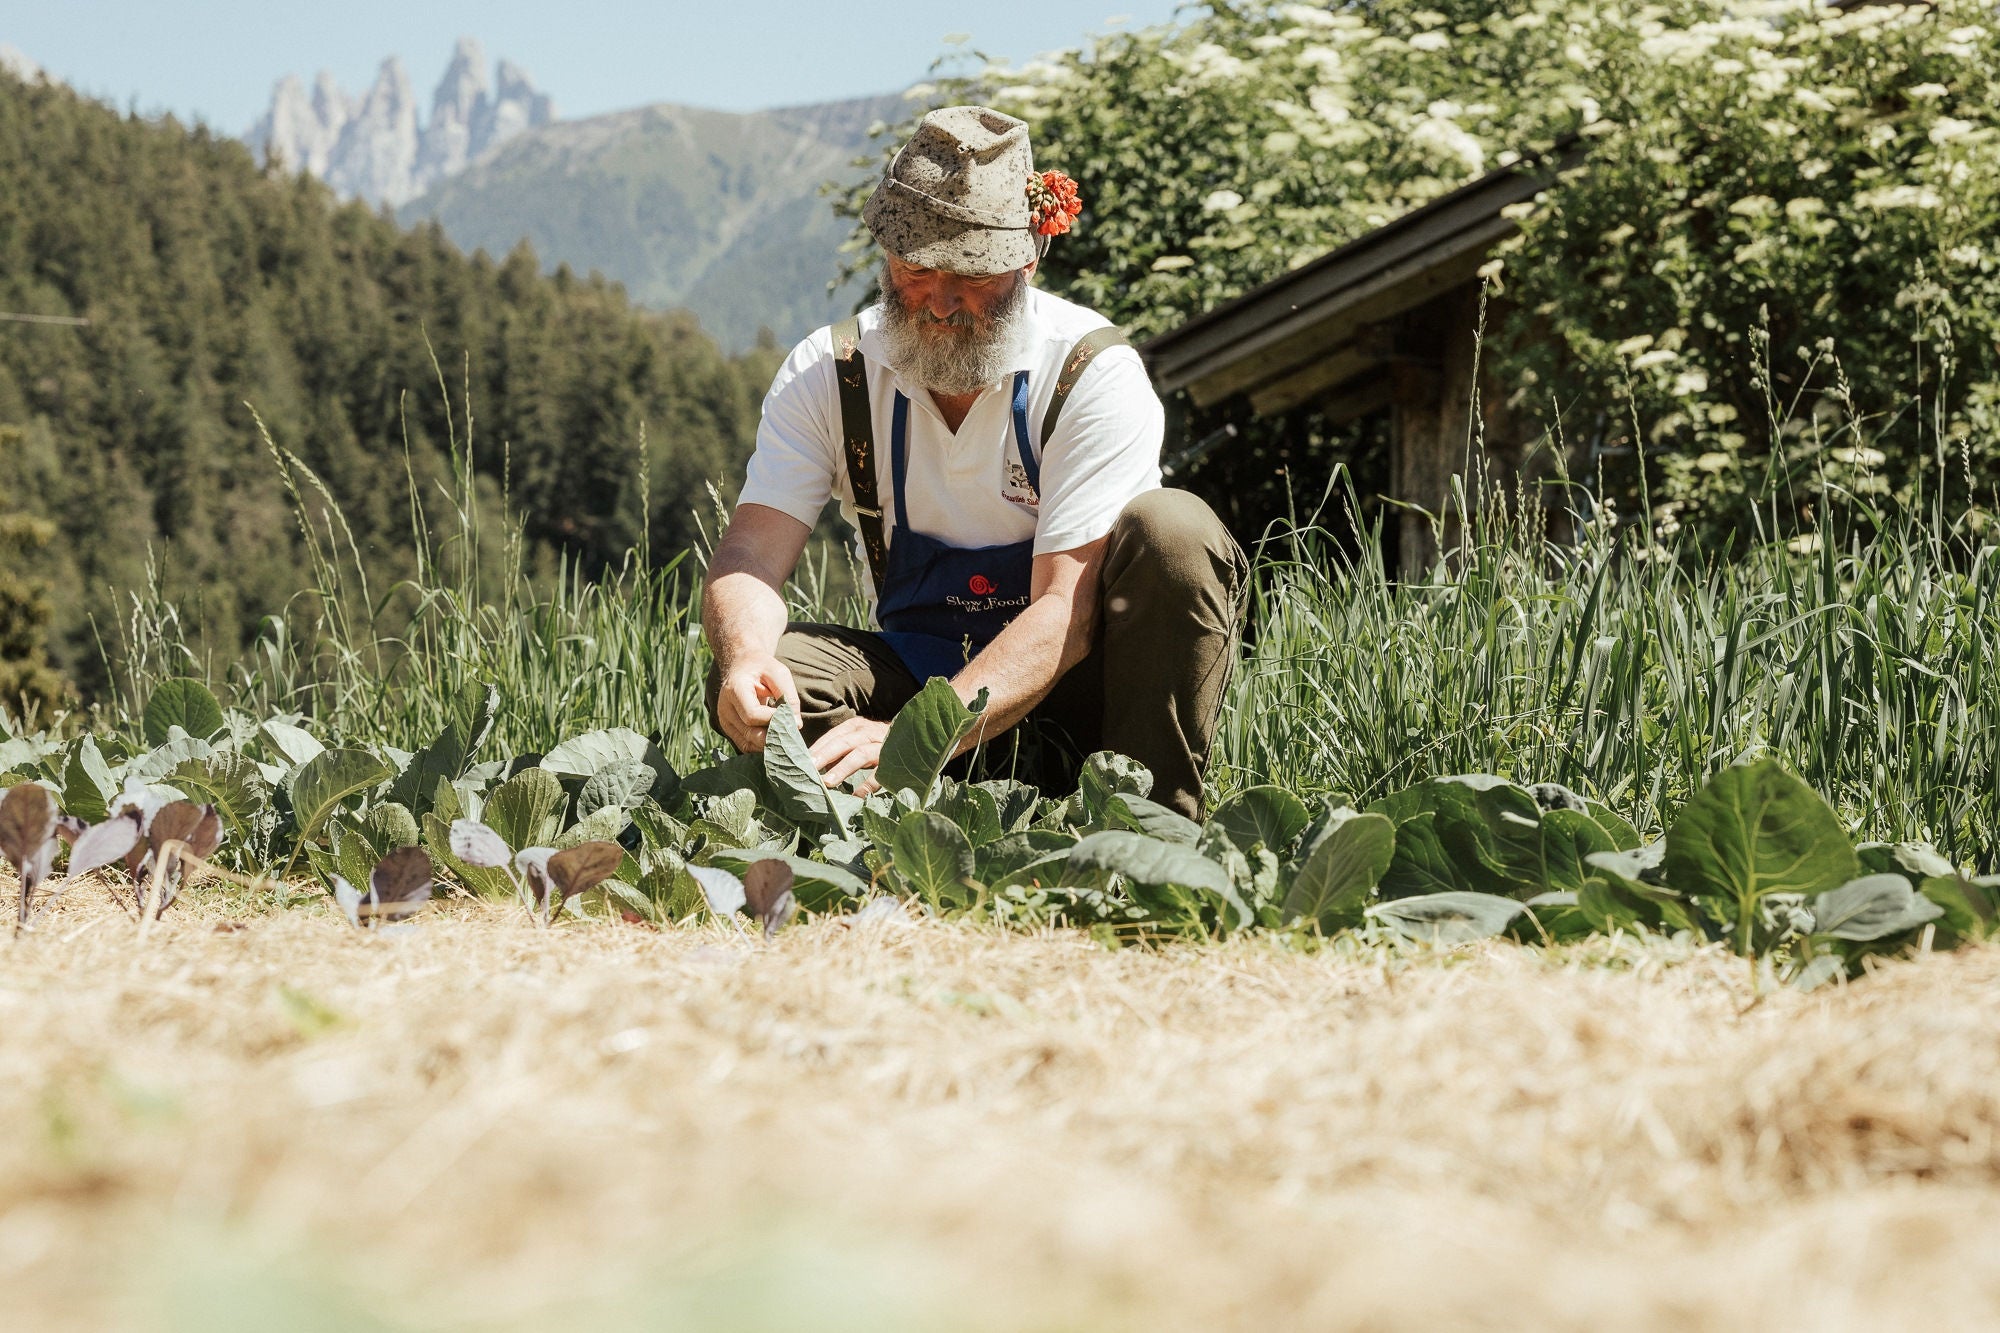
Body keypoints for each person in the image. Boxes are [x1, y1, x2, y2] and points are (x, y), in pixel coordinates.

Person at [702, 105, 1245, 819]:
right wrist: (744, 658)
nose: (942, 300)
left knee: (1177, 531)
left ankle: (1150, 832)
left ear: (1027, 260)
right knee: (774, 672)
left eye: (973, 275)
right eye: (916, 269)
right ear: (885, 254)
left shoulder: (1090, 371)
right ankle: (886, 833)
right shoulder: (829, 372)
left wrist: (913, 744)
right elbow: (748, 553)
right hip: (921, 672)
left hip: (1085, 700)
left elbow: (1065, 613)